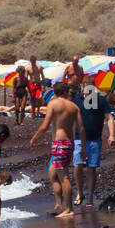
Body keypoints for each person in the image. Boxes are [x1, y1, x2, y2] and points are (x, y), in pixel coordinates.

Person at [30, 79, 86, 219]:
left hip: (60, 144)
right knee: (53, 174)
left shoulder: (53, 104)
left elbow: (45, 125)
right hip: (69, 144)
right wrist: (83, 148)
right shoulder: (74, 107)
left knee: (64, 176)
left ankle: (69, 209)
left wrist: (35, 138)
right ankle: (59, 205)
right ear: (66, 92)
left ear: (55, 93)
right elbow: (81, 129)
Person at [74, 82, 115, 207]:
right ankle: (80, 192)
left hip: (94, 139)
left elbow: (109, 118)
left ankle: (90, 198)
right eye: (85, 87)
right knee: (78, 165)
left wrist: (112, 135)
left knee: (91, 168)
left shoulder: (101, 100)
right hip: (78, 138)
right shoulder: (77, 100)